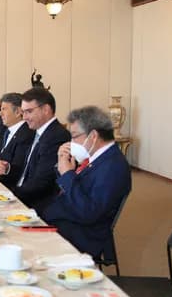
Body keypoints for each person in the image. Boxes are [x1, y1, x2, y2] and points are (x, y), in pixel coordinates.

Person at [42, 105, 132, 259]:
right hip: (67, 217)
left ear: (94, 136)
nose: (71, 142)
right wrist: (62, 166)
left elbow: (88, 212)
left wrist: (68, 174)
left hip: (84, 233)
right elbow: (77, 186)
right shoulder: (97, 157)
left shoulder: (113, 167)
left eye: (75, 136)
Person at [0, 88, 70, 211]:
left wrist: (9, 196)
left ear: (46, 109)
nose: (24, 117)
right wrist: (8, 168)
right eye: (23, 112)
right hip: (24, 194)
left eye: (28, 112)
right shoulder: (38, 131)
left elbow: (41, 183)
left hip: (37, 205)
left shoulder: (57, 136)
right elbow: (28, 170)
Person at [0, 91, 30, 171]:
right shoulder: (8, 131)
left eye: (4, 109)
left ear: (17, 112)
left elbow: (17, 168)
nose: (0, 114)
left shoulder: (26, 134)